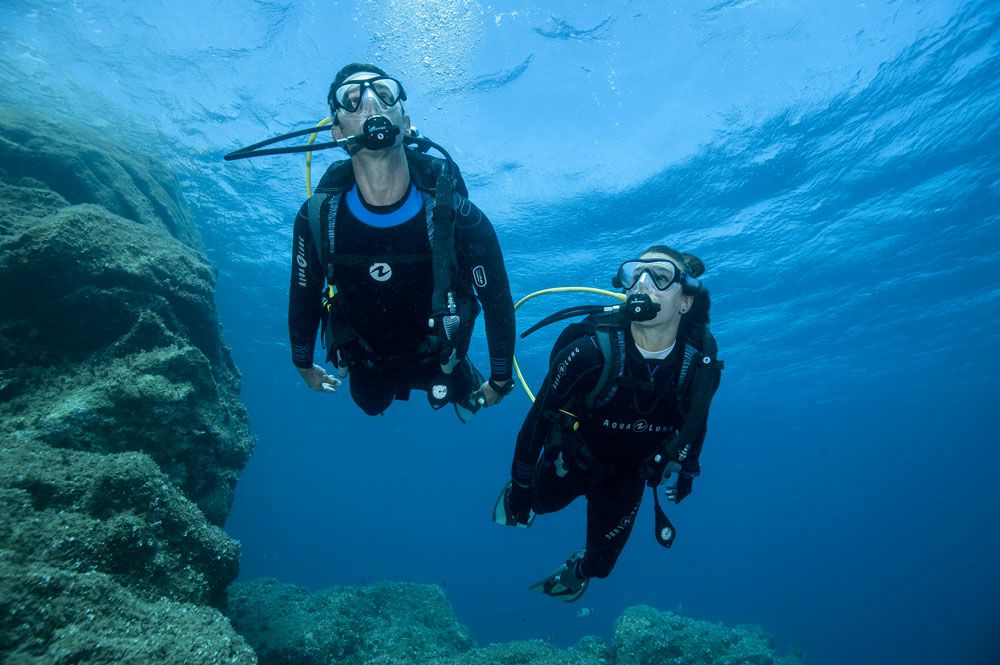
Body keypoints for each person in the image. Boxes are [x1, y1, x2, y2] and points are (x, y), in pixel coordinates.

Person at [494, 245, 722, 601]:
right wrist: (521, 486)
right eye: (635, 274)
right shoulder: (588, 353)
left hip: (628, 475)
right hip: (572, 459)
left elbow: (698, 421)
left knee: (601, 567)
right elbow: (535, 425)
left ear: (685, 302)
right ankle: (524, 493)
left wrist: (688, 470)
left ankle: (576, 571)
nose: (642, 284)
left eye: (660, 277)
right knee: (537, 503)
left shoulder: (698, 368)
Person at [288, 63, 516, 420]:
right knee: (370, 404)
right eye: (352, 99)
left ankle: (461, 383)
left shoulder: (459, 215)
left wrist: (500, 377)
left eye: (384, 94)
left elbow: (496, 298)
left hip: (440, 356)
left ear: (405, 123)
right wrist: (302, 361)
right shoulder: (316, 217)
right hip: (368, 356)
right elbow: (304, 293)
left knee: (462, 393)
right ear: (337, 132)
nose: (370, 105)